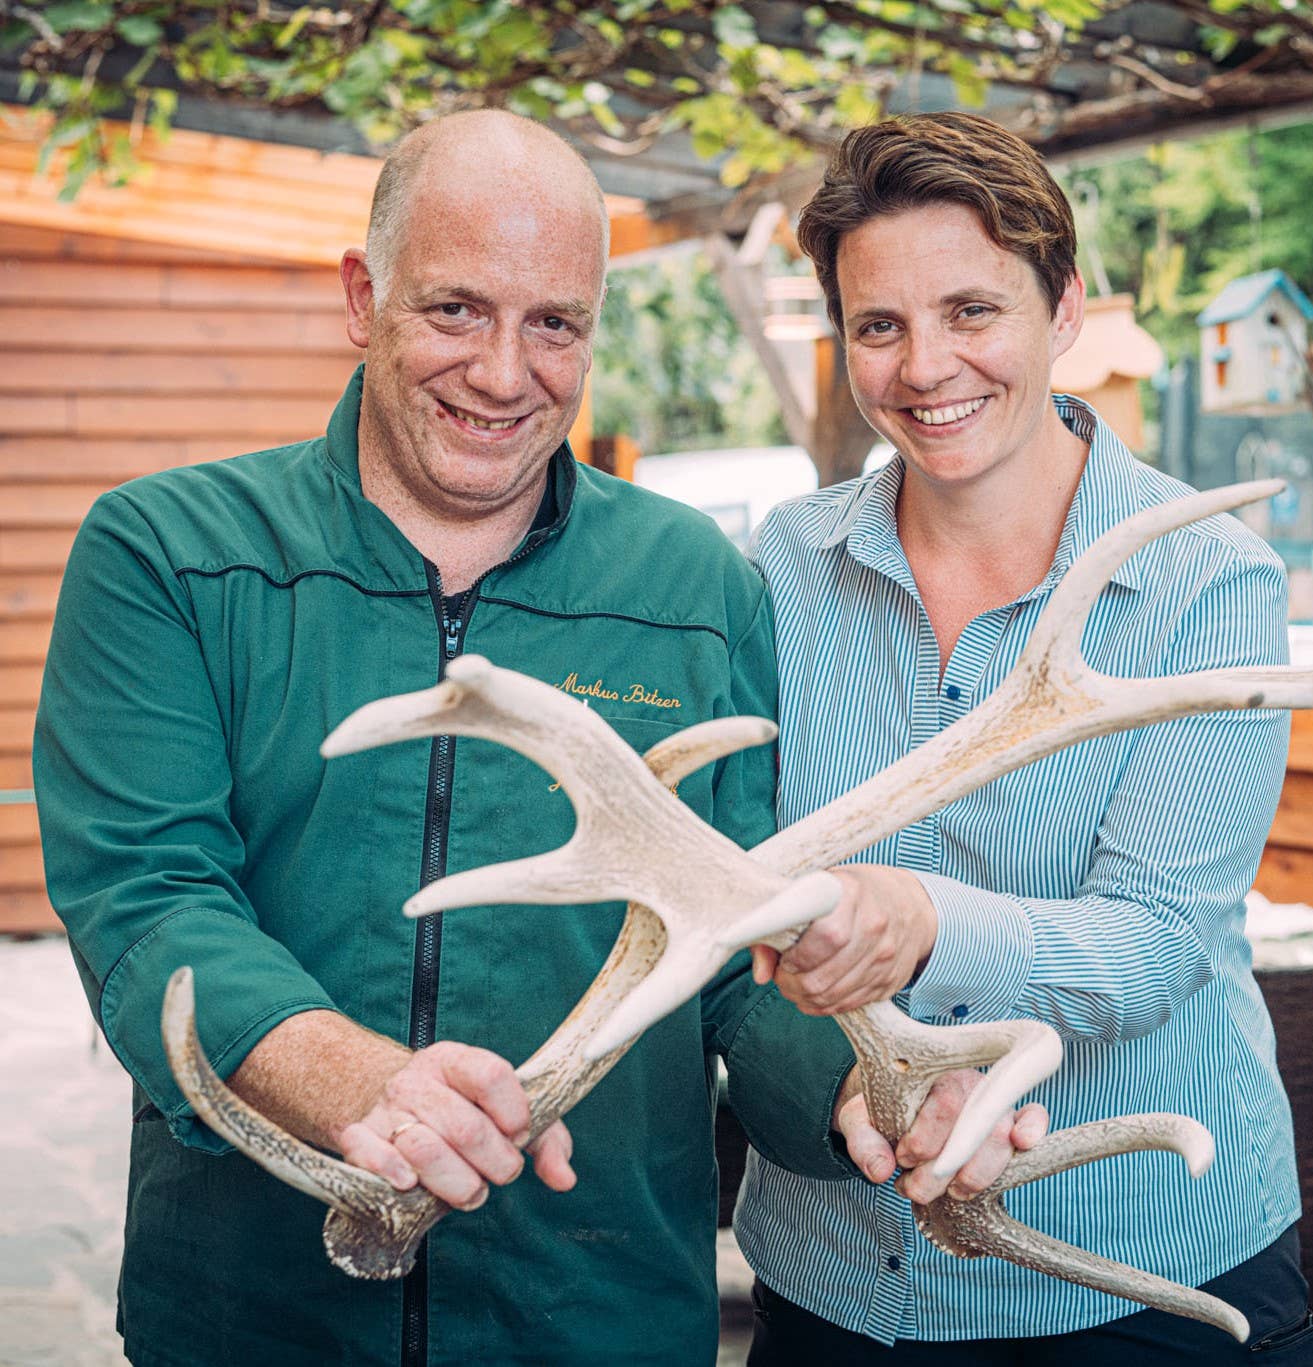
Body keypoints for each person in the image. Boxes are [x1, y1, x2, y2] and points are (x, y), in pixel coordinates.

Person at [31, 112, 907, 1367]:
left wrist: (859, 1085)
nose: (504, 373)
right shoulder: (171, 553)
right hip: (255, 1315)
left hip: (595, 1317)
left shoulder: (692, 583)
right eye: (455, 310)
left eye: (554, 323)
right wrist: (356, 1082)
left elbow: (730, 940)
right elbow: (146, 897)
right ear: (362, 296)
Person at [737, 112, 1313, 1364]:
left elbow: (1155, 941)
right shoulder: (785, 563)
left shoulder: (1207, 580)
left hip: (1134, 1278)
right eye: (878, 326)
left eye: (971, 311)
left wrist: (924, 922)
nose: (924, 366)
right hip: (836, 1272)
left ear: (1063, 307)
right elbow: (734, 899)